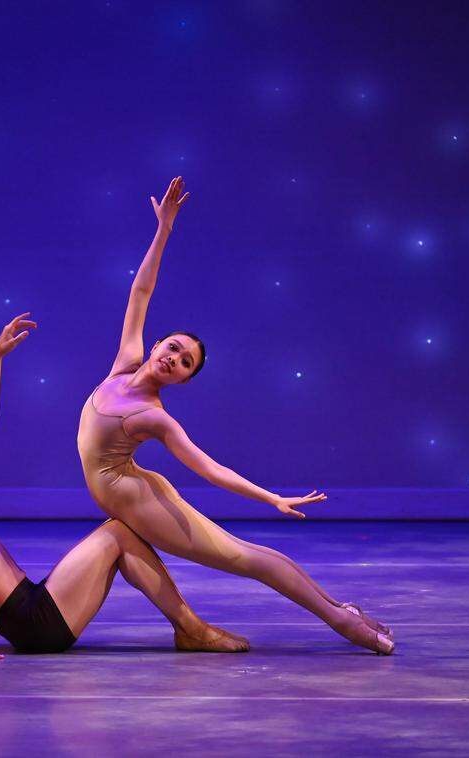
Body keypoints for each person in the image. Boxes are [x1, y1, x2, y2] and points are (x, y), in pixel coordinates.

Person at [75, 176, 396, 655]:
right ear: (159, 342)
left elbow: (210, 469)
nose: (174, 358)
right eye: (174, 347)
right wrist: (164, 228)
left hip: (140, 500)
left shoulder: (154, 417)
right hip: (131, 491)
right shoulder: (123, 363)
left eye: (185, 363)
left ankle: (342, 621)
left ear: (182, 381)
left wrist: (271, 498)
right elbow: (141, 291)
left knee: (248, 559)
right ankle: (333, 611)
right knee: (226, 556)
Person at [0, 313, 248, 659]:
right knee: (118, 533)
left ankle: (189, 627)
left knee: (121, 533)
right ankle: (191, 628)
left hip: (37, 598)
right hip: (31, 624)